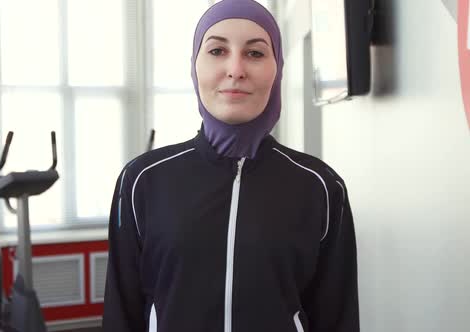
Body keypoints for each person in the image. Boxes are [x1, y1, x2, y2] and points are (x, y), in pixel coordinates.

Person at [102, 0, 360, 331]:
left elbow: (337, 318)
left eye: (255, 53)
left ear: (277, 69)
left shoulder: (321, 187)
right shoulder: (141, 181)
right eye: (217, 51)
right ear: (194, 67)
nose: (236, 69)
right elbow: (121, 315)